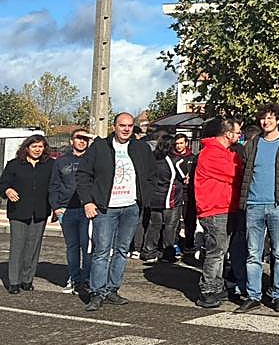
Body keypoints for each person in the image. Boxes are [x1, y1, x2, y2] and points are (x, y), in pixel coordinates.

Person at [77, 111, 154, 311]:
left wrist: (145, 197)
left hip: (131, 207)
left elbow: (151, 175)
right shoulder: (100, 147)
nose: (126, 129)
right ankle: (97, 292)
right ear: (114, 127)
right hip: (105, 208)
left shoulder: (141, 148)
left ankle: (112, 289)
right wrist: (87, 201)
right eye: (122, 125)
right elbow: (84, 175)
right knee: (102, 251)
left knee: (121, 251)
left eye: (129, 126)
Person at [235, 103, 279, 313]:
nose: (266, 122)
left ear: (278, 120)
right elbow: (245, 171)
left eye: (271, 118)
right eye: (263, 118)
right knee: (253, 253)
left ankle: (278, 295)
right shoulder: (252, 144)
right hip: (254, 204)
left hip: (278, 205)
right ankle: (253, 295)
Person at [193, 117, 245, 309]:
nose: (240, 137)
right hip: (214, 209)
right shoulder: (211, 154)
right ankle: (207, 289)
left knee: (221, 251)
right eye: (238, 133)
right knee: (216, 251)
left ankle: (215, 286)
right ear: (228, 133)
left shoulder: (224, 152)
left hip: (225, 207)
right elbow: (234, 172)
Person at [1, 133, 53, 293]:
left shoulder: (50, 165)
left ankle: (27, 279)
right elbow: (2, 183)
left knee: (33, 247)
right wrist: (7, 190)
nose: (37, 149)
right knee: (18, 246)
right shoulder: (14, 165)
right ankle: (14, 282)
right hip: (18, 212)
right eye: (34, 146)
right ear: (27, 147)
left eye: (40, 146)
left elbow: (55, 186)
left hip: (40, 211)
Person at [50, 128, 94, 294]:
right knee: (72, 247)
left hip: (86, 210)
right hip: (66, 210)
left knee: (87, 246)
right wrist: (56, 208)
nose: (82, 141)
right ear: (71, 141)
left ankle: (87, 279)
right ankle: (74, 279)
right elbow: (53, 186)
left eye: (85, 138)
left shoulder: (92, 160)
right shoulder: (61, 161)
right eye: (78, 138)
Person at [140, 131, 189, 264]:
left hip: (154, 198)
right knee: (170, 227)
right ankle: (168, 254)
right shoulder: (177, 161)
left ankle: (149, 252)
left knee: (154, 226)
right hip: (171, 198)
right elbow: (184, 177)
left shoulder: (152, 159)